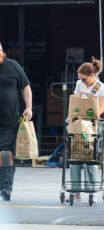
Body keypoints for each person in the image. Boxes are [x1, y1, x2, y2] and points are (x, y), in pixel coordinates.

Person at [68, 56, 104, 202]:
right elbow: (75, 103)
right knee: (75, 156)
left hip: (93, 127)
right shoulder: (80, 84)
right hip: (78, 125)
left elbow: (100, 110)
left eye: (84, 79)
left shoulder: (102, 88)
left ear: (93, 75)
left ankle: (92, 190)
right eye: (80, 79)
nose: (82, 81)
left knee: (91, 158)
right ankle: (75, 190)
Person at [0, 42, 32, 201]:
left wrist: (29, 107)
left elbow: (25, 87)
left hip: (9, 121)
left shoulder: (13, 66)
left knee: (5, 153)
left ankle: (6, 188)